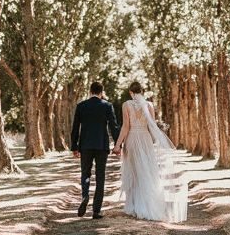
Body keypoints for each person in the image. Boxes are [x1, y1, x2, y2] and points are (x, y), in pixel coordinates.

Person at [112, 81, 187, 222]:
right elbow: (152, 126)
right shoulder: (149, 105)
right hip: (145, 139)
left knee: (134, 171)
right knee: (146, 170)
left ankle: (134, 205)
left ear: (130, 92)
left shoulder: (126, 105)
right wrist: (158, 142)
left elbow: (125, 127)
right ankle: (146, 204)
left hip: (132, 139)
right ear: (143, 92)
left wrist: (118, 145)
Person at [70, 81, 120, 219]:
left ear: (90, 91)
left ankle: (85, 195)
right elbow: (114, 126)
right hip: (101, 146)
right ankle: (96, 210)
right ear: (101, 92)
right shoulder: (107, 106)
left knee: (85, 173)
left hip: (85, 145)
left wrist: (74, 146)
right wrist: (118, 145)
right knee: (100, 177)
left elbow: (75, 128)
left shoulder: (81, 106)